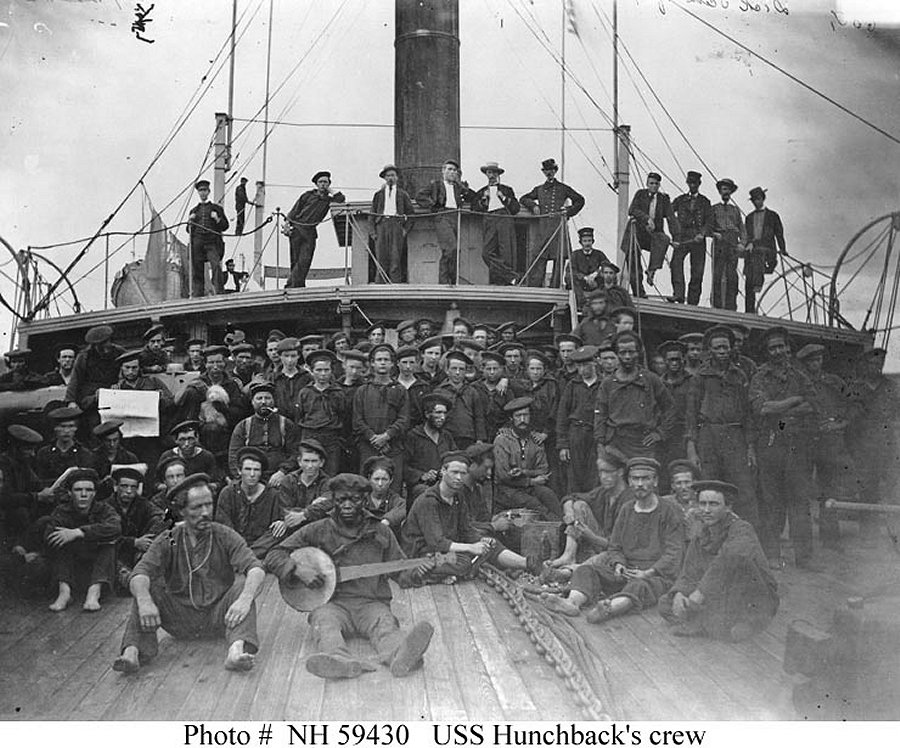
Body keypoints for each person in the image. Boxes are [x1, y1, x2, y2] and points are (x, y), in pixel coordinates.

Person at [267, 473, 434, 679]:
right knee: (325, 626)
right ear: (333, 501)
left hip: (371, 602)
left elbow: (401, 571)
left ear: (364, 500)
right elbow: (274, 555)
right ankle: (338, 661)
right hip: (332, 604)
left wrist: (416, 575)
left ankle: (401, 656)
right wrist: (298, 569)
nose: (347, 505)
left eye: (354, 500)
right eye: (341, 500)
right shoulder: (318, 529)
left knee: (386, 626)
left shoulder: (380, 532)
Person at [113, 473, 265, 674]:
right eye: (197, 507)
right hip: (179, 620)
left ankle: (236, 651)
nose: (205, 513)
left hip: (220, 618)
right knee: (146, 589)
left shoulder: (224, 535)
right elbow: (140, 572)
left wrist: (245, 599)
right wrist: (144, 601)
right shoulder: (170, 538)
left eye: (208, 505)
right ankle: (131, 653)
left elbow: (255, 568)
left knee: (243, 587)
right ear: (182, 511)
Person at [541, 457, 683, 622]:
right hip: (627, 571)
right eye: (635, 479)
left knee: (639, 586)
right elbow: (615, 547)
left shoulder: (668, 511)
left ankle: (609, 609)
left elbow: (673, 554)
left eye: (645, 479)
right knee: (586, 570)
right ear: (629, 481)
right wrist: (618, 564)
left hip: (655, 576)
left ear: (655, 481)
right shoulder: (627, 509)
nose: (639, 484)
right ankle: (572, 603)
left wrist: (648, 573)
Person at [658, 480, 778, 642]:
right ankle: (709, 621)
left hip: (749, 595)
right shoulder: (701, 533)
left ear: (728, 507)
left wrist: (701, 592)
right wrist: (679, 593)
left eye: (714, 504)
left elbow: (731, 559)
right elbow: (688, 572)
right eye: (702, 504)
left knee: (737, 562)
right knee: (665, 604)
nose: (707, 510)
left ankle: (715, 622)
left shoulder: (742, 529)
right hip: (717, 593)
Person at [402, 452, 542, 581]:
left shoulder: (457, 497)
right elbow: (436, 542)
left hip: (444, 551)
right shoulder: (428, 501)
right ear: (443, 471)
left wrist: (480, 540)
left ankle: (528, 563)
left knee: (489, 545)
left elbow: (466, 530)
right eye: (454, 472)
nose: (459, 478)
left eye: (463, 473)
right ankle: (425, 573)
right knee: (464, 562)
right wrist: (471, 547)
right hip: (423, 554)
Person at [749, 327, 817, 567]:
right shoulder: (760, 377)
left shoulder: (800, 375)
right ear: (767, 351)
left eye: (781, 346)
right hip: (771, 444)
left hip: (797, 445)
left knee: (800, 501)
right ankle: (772, 555)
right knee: (771, 502)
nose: (778, 351)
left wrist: (782, 410)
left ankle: (804, 558)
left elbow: (813, 404)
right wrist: (795, 400)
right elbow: (763, 408)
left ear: (788, 348)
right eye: (772, 348)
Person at [683, 326, 758, 526]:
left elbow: (748, 413)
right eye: (717, 348)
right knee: (710, 487)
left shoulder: (739, 376)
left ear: (731, 348)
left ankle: (745, 534)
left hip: (735, 436)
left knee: (743, 489)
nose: (722, 351)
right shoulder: (700, 377)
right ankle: (709, 535)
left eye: (725, 347)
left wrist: (750, 446)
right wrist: (691, 447)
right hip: (709, 436)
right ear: (710, 350)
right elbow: (691, 413)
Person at [795, 344, 854, 549]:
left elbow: (851, 406)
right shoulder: (797, 382)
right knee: (801, 490)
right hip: (803, 441)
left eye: (818, 359)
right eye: (811, 361)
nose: (815, 364)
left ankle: (830, 538)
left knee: (829, 489)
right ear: (804, 363)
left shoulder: (834, 382)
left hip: (828, 442)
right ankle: (802, 540)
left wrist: (839, 424)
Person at [44, 468, 121, 612]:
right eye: (78, 490)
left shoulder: (104, 509)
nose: (84, 494)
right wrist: (68, 536)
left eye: (89, 490)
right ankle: (64, 592)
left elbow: (115, 527)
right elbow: (49, 535)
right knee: (60, 539)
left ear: (94, 493)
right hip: (70, 568)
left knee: (109, 544)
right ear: (70, 493)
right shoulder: (61, 511)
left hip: (98, 570)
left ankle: (94, 593)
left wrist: (79, 532)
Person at [594, 332, 674, 462]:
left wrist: (660, 433)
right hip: (615, 444)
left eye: (631, 352)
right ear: (617, 354)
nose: (627, 357)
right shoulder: (608, 384)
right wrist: (601, 442)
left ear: (638, 353)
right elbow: (600, 414)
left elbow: (670, 408)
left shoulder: (651, 379)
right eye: (623, 352)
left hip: (644, 445)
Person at [548, 451, 634, 571]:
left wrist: (592, 537)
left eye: (607, 471)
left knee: (603, 559)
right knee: (579, 505)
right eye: (600, 472)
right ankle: (569, 555)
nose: (603, 477)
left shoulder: (630, 500)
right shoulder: (603, 492)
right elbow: (571, 497)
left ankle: (573, 570)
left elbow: (623, 546)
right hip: (601, 544)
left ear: (620, 472)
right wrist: (569, 512)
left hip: (617, 552)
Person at [846, 348, 900, 539]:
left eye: (879, 364)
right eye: (872, 363)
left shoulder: (892, 387)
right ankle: (868, 533)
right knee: (868, 489)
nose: (876, 367)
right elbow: (850, 421)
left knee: (893, 488)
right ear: (864, 365)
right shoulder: (856, 388)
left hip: (888, 447)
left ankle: (895, 533)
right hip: (865, 447)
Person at [519, 158, 585, 287]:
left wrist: (568, 211)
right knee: (539, 256)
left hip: (558, 227)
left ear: (555, 171)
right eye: (546, 171)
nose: (549, 173)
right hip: (544, 228)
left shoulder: (563, 188)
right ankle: (536, 287)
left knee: (559, 257)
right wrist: (534, 206)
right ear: (543, 172)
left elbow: (580, 200)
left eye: (551, 170)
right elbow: (524, 198)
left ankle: (555, 287)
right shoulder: (539, 189)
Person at [492, 397, 561, 518]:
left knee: (549, 495)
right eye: (518, 416)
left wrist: (524, 472)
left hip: (530, 488)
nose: (522, 420)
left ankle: (562, 523)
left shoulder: (535, 440)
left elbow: (543, 470)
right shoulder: (502, 440)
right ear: (511, 418)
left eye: (525, 415)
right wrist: (531, 481)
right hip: (507, 490)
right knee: (535, 504)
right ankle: (556, 525)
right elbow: (503, 476)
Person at [352, 345, 409, 490]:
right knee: (367, 486)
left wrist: (387, 436)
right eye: (379, 360)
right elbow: (357, 420)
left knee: (393, 487)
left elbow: (404, 419)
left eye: (386, 360)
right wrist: (373, 438)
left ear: (392, 363)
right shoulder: (362, 390)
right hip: (368, 447)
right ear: (372, 363)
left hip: (393, 447)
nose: (382, 363)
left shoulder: (400, 390)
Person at [215, 447, 288, 558]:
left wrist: (249, 554)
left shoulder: (273, 495)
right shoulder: (228, 493)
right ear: (239, 471)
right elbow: (224, 527)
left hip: (262, 551)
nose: (252, 474)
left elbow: (274, 531)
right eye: (248, 469)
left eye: (256, 470)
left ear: (261, 472)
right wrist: (237, 549)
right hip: (233, 549)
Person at [415, 159, 477, 285]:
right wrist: (434, 205)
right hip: (442, 216)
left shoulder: (458, 187)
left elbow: (473, 197)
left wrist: (462, 186)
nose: (452, 172)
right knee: (450, 248)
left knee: (455, 250)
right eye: (449, 169)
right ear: (443, 171)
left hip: (456, 216)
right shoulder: (436, 185)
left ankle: (452, 282)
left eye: (454, 170)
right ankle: (444, 282)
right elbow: (420, 196)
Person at [227, 381, 301, 481]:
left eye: (267, 398)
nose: (263, 402)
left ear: (273, 401)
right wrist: (242, 477)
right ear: (252, 402)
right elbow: (233, 456)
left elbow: (295, 453)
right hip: (251, 477)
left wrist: (283, 472)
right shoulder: (243, 426)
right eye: (259, 398)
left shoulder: (286, 424)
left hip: (280, 477)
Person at [284, 171, 346, 288]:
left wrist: (331, 190)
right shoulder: (307, 195)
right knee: (295, 259)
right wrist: (287, 224)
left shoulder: (328, 200)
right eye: (320, 182)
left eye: (325, 182)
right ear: (316, 184)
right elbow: (294, 210)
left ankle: (292, 284)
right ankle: (297, 285)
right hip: (297, 228)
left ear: (329, 184)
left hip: (310, 231)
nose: (323, 184)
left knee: (305, 259)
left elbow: (341, 199)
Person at [108, 464, 164, 589]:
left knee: (160, 521)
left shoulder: (142, 504)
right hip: (115, 552)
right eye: (124, 486)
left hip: (136, 553)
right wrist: (134, 542)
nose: (129, 491)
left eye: (133, 487)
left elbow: (162, 517)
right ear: (115, 487)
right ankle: (130, 581)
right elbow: (105, 535)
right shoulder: (106, 506)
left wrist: (148, 540)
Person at [624, 172, 679, 295]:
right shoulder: (640, 194)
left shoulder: (663, 199)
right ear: (647, 184)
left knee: (664, 239)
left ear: (659, 185)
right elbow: (632, 210)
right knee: (633, 262)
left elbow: (671, 218)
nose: (653, 186)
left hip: (652, 234)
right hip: (637, 233)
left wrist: (676, 238)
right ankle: (639, 292)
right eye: (651, 183)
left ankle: (652, 270)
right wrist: (647, 219)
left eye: (656, 184)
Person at [293, 349, 345, 476]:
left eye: (326, 370)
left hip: (331, 438)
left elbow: (343, 415)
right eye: (319, 370)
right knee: (309, 470)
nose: (323, 374)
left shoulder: (338, 393)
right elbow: (299, 416)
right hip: (310, 436)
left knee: (330, 473)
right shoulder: (305, 393)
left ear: (331, 371)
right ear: (312, 371)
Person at [556, 346, 601, 494]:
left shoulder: (604, 385)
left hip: (596, 434)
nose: (582, 370)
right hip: (576, 434)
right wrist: (563, 444)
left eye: (585, 365)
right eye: (579, 366)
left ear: (594, 364)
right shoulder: (573, 386)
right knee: (575, 475)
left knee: (595, 474)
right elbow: (562, 415)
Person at [66, 325, 125, 434]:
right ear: (94, 345)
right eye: (101, 346)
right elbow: (75, 379)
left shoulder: (119, 352)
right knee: (94, 426)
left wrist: (119, 383)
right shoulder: (84, 357)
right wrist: (71, 401)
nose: (106, 349)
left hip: (113, 394)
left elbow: (129, 367)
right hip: (91, 398)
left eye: (107, 343)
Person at [403, 393, 457, 503]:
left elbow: (456, 459)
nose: (442, 417)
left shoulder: (447, 437)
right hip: (422, 487)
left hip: (445, 484)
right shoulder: (413, 436)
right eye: (438, 413)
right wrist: (422, 475)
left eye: (444, 413)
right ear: (427, 414)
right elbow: (403, 466)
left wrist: (446, 471)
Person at [473, 161, 520, 285]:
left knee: (506, 252)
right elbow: (474, 208)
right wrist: (483, 201)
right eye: (489, 172)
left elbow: (516, 208)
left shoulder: (507, 190)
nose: (492, 175)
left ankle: (504, 283)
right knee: (486, 253)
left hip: (504, 218)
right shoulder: (482, 192)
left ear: (498, 174)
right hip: (489, 219)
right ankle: (511, 276)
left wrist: (504, 198)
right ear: (486, 174)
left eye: (494, 172)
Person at [670, 171, 713, 305]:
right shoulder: (680, 200)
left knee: (697, 270)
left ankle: (693, 301)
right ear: (687, 183)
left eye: (695, 183)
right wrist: (674, 233)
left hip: (698, 238)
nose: (692, 185)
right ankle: (678, 294)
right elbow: (669, 213)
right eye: (690, 183)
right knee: (675, 263)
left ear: (699, 184)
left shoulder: (704, 202)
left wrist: (703, 233)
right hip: (682, 237)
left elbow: (710, 221)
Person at [35, 406, 96, 498]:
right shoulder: (44, 453)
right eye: (62, 426)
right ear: (55, 428)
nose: (66, 431)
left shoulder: (84, 454)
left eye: (71, 426)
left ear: (76, 429)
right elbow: (39, 481)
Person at [743, 187, 786, 314]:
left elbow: (779, 233)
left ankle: (758, 283)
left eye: (758, 199)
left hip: (767, 251)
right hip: (753, 251)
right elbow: (747, 235)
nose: (756, 202)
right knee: (749, 278)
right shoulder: (749, 217)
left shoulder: (773, 216)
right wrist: (748, 244)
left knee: (757, 258)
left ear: (763, 199)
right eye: (754, 200)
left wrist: (783, 249)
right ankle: (749, 311)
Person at [370, 164, 414, 283]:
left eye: (393, 175)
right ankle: (380, 286)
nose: (390, 178)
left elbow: (411, 214)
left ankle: (395, 285)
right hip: (382, 226)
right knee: (381, 257)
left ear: (397, 178)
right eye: (388, 175)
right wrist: (373, 232)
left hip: (396, 226)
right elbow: (372, 214)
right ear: (384, 178)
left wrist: (405, 230)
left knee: (395, 258)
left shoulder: (403, 194)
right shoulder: (378, 195)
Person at [434, 350, 487, 448]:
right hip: (445, 437)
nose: (457, 373)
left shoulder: (472, 392)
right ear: (447, 370)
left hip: (468, 437)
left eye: (461, 369)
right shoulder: (439, 391)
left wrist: (480, 439)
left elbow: (479, 417)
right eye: (454, 368)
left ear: (466, 371)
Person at [278, 438, 332, 529]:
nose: (310, 466)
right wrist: (314, 508)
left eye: (314, 461)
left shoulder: (328, 483)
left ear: (321, 463)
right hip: (291, 525)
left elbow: (327, 506)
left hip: (317, 527)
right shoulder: (288, 480)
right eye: (306, 461)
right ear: (299, 462)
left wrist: (304, 514)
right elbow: (285, 510)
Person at [187, 179, 229, 297]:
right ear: (198, 192)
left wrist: (217, 219)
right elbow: (188, 230)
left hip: (212, 242)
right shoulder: (194, 211)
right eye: (200, 190)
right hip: (198, 242)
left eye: (205, 190)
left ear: (209, 191)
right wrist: (190, 221)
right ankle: (198, 294)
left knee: (215, 265)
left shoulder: (217, 209)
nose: (203, 193)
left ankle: (219, 292)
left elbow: (225, 226)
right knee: (197, 268)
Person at [710, 178, 746, 311]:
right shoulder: (714, 208)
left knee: (732, 275)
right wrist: (714, 233)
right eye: (724, 189)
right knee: (717, 274)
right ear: (720, 191)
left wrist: (742, 243)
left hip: (732, 242)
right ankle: (717, 305)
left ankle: (731, 306)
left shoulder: (735, 210)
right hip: (719, 241)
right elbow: (708, 227)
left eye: (728, 190)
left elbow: (742, 228)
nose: (726, 192)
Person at [658, 340, 692, 473]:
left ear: (683, 360)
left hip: (685, 434)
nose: (674, 363)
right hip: (664, 435)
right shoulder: (658, 384)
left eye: (677, 359)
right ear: (665, 361)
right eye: (670, 360)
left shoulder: (693, 381)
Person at [569, 227, 610, 309]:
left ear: (592, 241)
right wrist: (584, 278)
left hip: (595, 284)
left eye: (589, 241)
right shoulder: (575, 255)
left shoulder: (599, 254)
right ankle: (582, 304)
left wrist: (595, 274)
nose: (587, 244)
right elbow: (571, 270)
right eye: (585, 241)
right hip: (580, 284)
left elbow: (607, 265)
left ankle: (602, 304)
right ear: (581, 242)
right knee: (571, 277)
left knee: (607, 276)